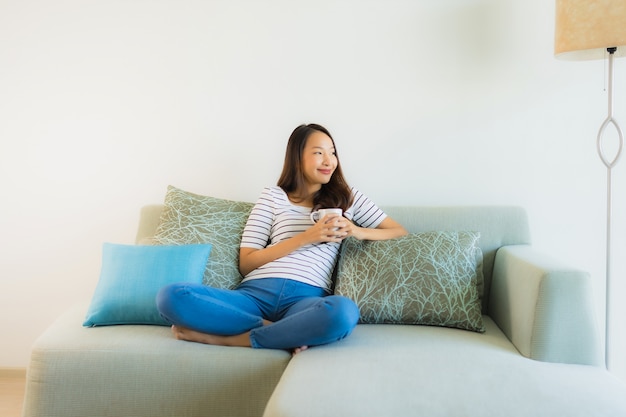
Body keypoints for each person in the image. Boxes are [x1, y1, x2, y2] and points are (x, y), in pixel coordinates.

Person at [156, 123, 407, 353]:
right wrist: (306, 237)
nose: (329, 160)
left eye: (332, 152)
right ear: (297, 158)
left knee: (343, 312)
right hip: (254, 295)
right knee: (172, 296)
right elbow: (247, 262)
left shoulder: (349, 198)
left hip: (306, 299)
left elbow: (398, 231)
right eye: (319, 152)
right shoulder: (273, 197)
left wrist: (356, 230)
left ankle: (231, 339)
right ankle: (281, 330)